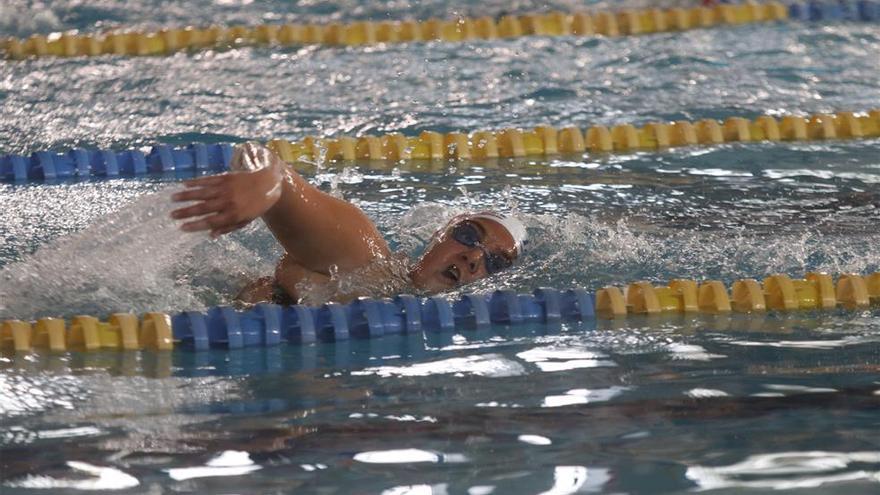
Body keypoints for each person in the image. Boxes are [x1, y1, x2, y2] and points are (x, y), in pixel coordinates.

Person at [170, 143, 527, 305]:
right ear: (438, 235)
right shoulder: (365, 258)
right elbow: (267, 163)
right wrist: (262, 185)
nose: (473, 258)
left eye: (493, 263)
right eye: (467, 236)